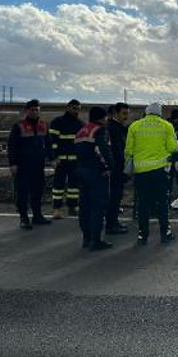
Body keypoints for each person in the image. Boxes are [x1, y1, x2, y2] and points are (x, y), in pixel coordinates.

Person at [124, 102, 178, 244]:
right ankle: (165, 233)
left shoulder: (134, 126)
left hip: (141, 172)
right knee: (162, 203)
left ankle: (143, 235)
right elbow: (172, 148)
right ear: (160, 113)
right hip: (159, 171)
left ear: (147, 112)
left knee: (143, 204)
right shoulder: (167, 126)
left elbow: (128, 150)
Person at [8, 99, 53, 230]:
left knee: (38, 191)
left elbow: (49, 144)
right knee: (22, 192)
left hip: (38, 164)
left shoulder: (44, 125)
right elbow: (12, 146)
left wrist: (52, 158)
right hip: (23, 164)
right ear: (26, 111)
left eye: (37, 110)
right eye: (32, 109)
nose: (34, 112)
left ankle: (37, 215)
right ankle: (24, 218)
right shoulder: (19, 125)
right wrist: (13, 163)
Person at [75, 107, 115, 251]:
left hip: (81, 170)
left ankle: (86, 237)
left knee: (85, 206)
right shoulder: (100, 130)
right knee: (98, 206)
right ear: (102, 118)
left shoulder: (82, 130)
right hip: (96, 172)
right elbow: (103, 151)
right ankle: (96, 240)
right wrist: (109, 167)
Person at [49, 99, 83, 219]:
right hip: (61, 160)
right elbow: (52, 141)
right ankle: (56, 209)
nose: (76, 111)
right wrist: (54, 157)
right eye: (74, 108)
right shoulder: (57, 122)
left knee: (74, 186)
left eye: (78, 109)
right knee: (58, 185)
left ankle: (72, 207)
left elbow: (82, 143)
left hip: (75, 161)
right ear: (68, 108)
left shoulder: (80, 124)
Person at [105, 102, 130, 235]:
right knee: (114, 196)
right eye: (124, 113)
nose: (126, 117)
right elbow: (117, 150)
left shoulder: (120, 127)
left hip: (119, 167)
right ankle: (111, 224)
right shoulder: (112, 128)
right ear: (116, 113)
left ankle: (114, 221)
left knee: (117, 196)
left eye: (127, 113)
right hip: (116, 168)